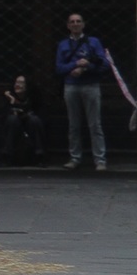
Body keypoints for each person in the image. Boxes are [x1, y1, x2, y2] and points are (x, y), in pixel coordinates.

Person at [54, 11, 108, 171]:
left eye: (78, 21)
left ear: (83, 24)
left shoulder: (93, 42)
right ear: (68, 26)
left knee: (95, 124)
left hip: (91, 86)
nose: (76, 24)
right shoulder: (63, 45)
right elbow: (59, 68)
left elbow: (104, 64)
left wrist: (86, 67)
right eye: (72, 22)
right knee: (74, 125)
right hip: (71, 86)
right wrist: (76, 65)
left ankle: (100, 160)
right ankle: (75, 157)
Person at [2, 74, 45, 167]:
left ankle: (39, 155)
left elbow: (39, 113)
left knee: (34, 120)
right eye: (16, 82)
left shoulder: (33, 97)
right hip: (14, 126)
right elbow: (4, 115)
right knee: (12, 120)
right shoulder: (9, 97)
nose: (18, 85)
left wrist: (25, 114)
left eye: (21, 83)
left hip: (30, 125)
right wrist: (12, 102)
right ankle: (7, 156)